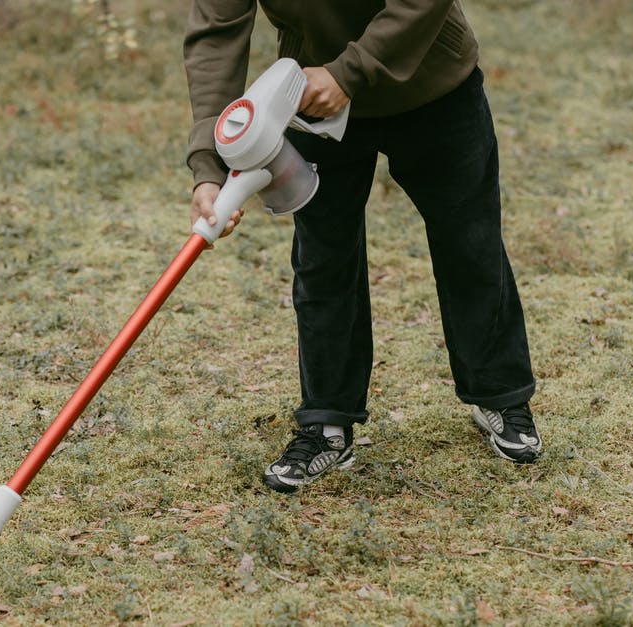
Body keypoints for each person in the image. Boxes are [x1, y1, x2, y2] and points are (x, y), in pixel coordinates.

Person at [183, 0, 541, 494]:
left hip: (431, 80)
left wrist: (350, 73)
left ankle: (499, 393)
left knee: (470, 241)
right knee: (323, 257)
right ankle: (327, 423)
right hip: (308, 100)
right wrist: (209, 165)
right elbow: (216, 35)